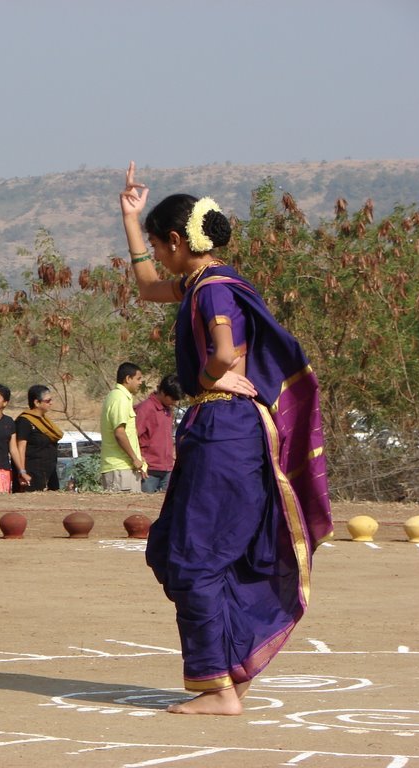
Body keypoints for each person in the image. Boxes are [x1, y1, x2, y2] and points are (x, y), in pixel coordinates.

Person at [120, 162, 332, 715]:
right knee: (192, 550)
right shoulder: (205, 282)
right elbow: (147, 288)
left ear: (176, 240)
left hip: (224, 432)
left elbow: (222, 351)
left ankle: (217, 687)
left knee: (192, 556)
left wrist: (209, 377)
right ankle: (232, 673)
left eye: (159, 246)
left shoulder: (212, 291)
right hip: (226, 430)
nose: (157, 256)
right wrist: (132, 220)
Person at [100, 362, 147, 492]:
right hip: (120, 469)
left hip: (125, 468)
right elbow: (119, 433)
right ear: (128, 379)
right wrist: (134, 458)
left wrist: (138, 457)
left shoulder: (121, 397)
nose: (140, 382)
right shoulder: (119, 398)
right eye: (138, 379)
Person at [135, 374, 183, 493]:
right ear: (162, 392)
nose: (174, 402)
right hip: (149, 471)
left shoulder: (168, 410)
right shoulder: (145, 409)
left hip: (167, 469)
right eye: (172, 399)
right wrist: (138, 460)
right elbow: (133, 436)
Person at [15, 385, 61, 491]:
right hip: (32, 473)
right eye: (48, 401)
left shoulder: (45, 421)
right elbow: (21, 448)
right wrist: (22, 472)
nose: (51, 403)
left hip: (49, 472)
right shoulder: (24, 421)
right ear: (37, 402)